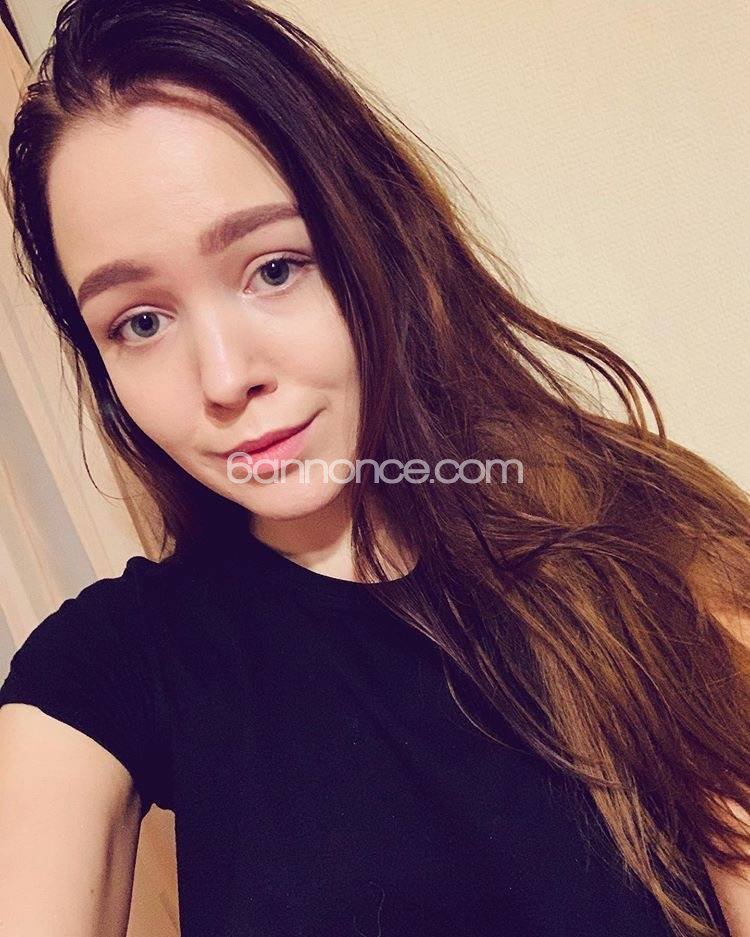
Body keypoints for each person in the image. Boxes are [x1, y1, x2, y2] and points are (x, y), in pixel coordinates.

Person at [0, 1, 748, 934]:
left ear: (376, 235)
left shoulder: (643, 538)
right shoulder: (113, 661)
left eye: (275, 268)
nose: (225, 379)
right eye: (139, 322)